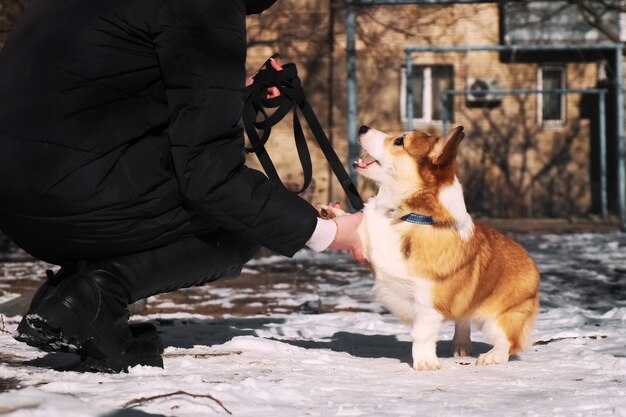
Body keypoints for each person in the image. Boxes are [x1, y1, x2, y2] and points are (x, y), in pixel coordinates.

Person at [0, 0, 363, 372]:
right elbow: (212, 180)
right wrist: (330, 233)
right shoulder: (207, 8)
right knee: (243, 219)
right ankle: (93, 296)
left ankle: (64, 297)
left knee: (240, 204)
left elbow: (117, 99)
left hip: (19, 206)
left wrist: (233, 97)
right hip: (74, 202)